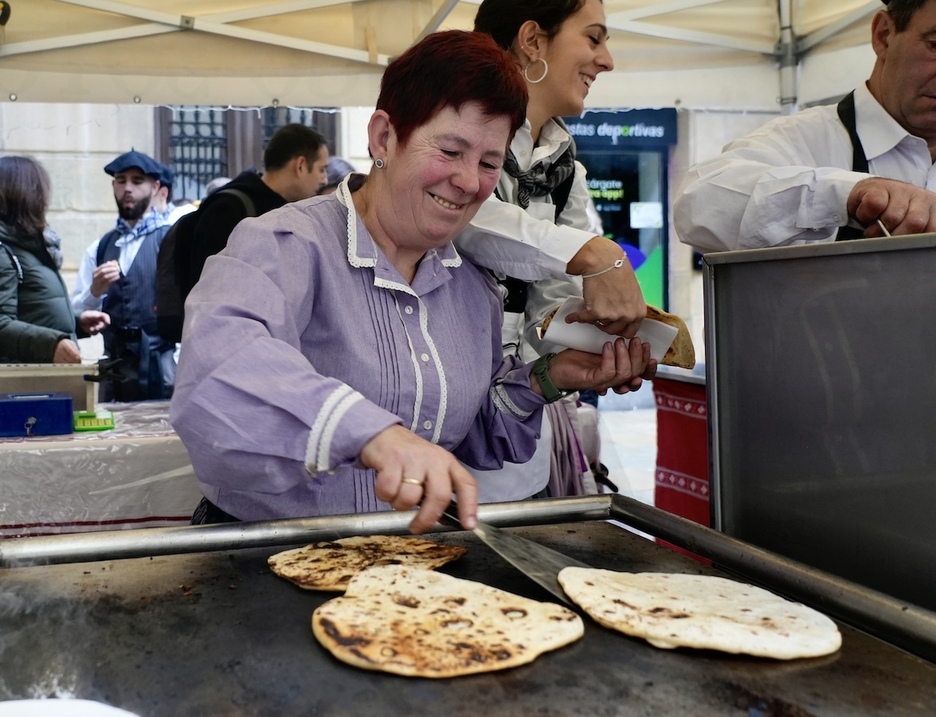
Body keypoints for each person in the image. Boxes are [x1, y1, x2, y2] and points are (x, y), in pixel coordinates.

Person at [169, 29, 652, 534]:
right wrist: (373, 434)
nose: (469, 181)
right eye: (449, 151)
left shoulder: (471, 288)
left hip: (409, 570)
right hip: (264, 563)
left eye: (489, 163)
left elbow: (470, 435)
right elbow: (217, 374)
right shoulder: (283, 244)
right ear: (383, 138)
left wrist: (547, 379)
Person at [467, 0, 628, 500]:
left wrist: (599, 343)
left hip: (516, 445)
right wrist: (591, 253)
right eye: (594, 38)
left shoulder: (563, 165)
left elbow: (553, 303)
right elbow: (467, 221)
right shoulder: (460, 133)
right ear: (532, 41)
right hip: (431, 440)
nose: (607, 61)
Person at [674, 0, 936, 252]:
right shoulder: (803, 139)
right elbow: (699, 204)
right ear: (884, 35)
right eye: (934, 45)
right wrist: (846, 194)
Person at [71, 150, 175, 401]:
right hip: (115, 371)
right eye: (121, 181)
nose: (128, 188)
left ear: (155, 187)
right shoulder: (100, 247)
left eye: (137, 181)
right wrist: (95, 290)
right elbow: (76, 311)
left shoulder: (172, 239)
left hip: (162, 368)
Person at [184, 124, 329, 288]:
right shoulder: (228, 209)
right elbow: (207, 285)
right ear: (300, 165)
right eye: (322, 169)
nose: (325, 180)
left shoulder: (290, 211)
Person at [0, 156, 109, 363]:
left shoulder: (30, 247)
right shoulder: (5, 249)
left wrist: (75, 321)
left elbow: (33, 308)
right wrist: (52, 344)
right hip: (24, 387)